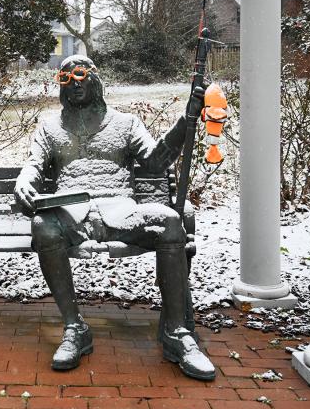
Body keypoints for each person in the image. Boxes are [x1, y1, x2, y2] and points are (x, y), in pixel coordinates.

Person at [13, 55, 215, 381]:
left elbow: (155, 162)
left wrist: (185, 120)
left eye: (81, 75)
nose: (74, 83)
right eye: (66, 78)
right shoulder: (49, 127)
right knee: (42, 227)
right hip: (72, 213)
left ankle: (176, 333)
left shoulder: (126, 123)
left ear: (95, 79)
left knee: (169, 221)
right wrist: (24, 183)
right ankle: (75, 328)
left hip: (120, 210)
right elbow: (34, 165)